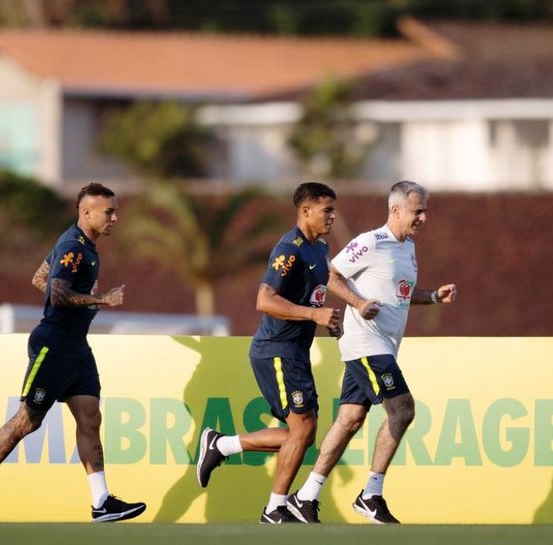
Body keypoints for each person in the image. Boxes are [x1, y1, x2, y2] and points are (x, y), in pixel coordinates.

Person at [0, 183, 146, 523]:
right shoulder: (74, 246)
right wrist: (99, 300)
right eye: (109, 211)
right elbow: (57, 292)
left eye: (115, 210)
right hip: (53, 345)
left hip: (76, 347)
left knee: (90, 417)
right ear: (86, 212)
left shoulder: (82, 244)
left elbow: (40, 277)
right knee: (28, 420)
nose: (115, 217)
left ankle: (101, 501)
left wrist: (82, 305)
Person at [289, 180, 457, 524]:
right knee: (403, 409)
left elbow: (401, 294)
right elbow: (330, 275)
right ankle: (371, 494)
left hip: (383, 346)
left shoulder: (407, 246)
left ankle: (304, 497)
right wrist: (359, 302)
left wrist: (435, 296)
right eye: (418, 210)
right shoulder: (370, 242)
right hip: (365, 342)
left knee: (349, 419)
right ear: (396, 209)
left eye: (424, 210)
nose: (423, 217)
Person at [196, 182, 341, 523]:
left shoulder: (320, 249)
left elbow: (312, 296)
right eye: (327, 210)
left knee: (301, 435)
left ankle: (222, 446)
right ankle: (275, 508)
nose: (332, 216)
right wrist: (313, 315)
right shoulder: (288, 249)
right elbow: (264, 299)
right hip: (276, 350)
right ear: (305, 211)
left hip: (294, 352)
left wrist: (329, 319)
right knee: (302, 430)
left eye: (333, 209)